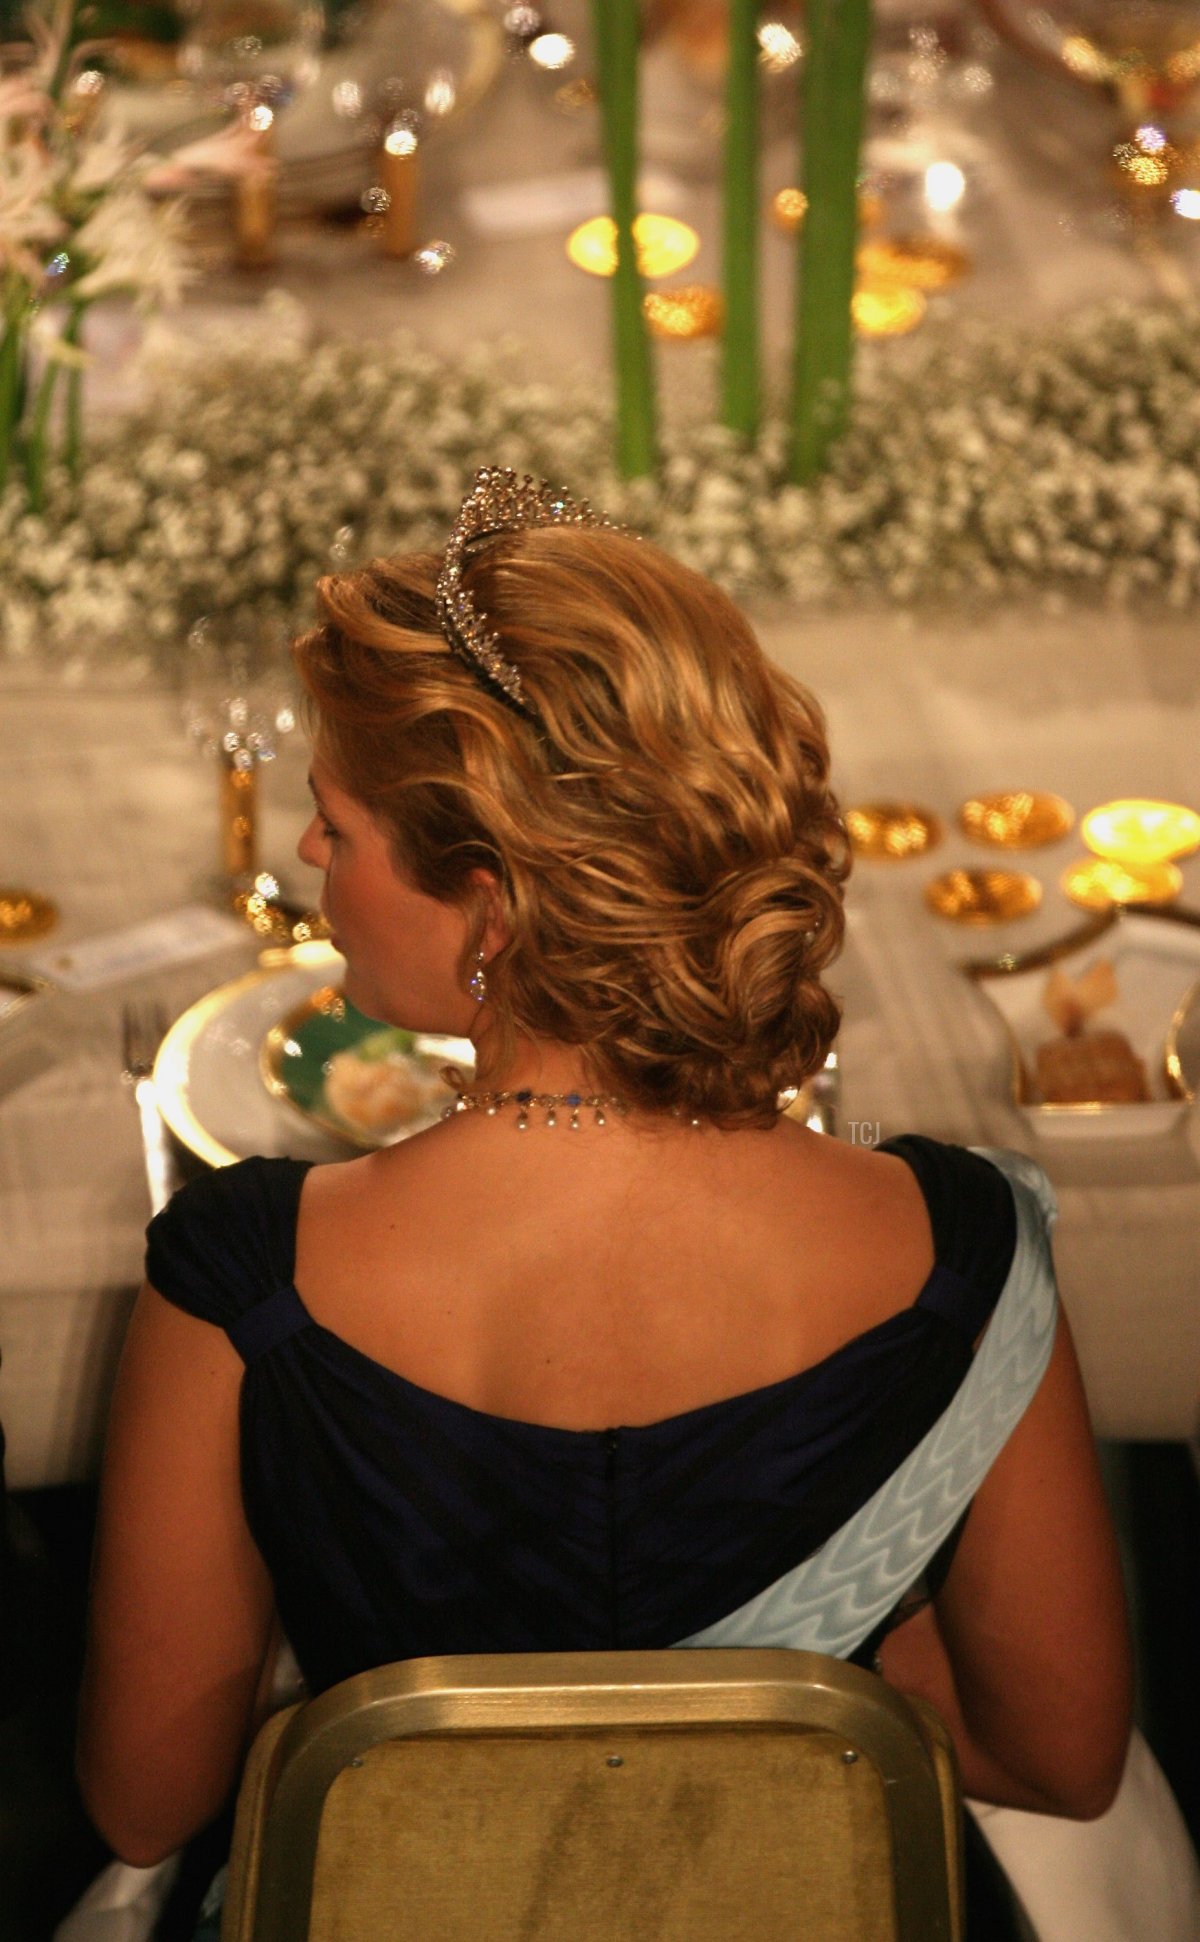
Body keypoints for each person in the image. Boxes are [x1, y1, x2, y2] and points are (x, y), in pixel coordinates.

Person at [77, 471, 1132, 1900]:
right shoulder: (966, 1251)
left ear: (494, 902)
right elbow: (1067, 1756)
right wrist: (820, 1659)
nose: (309, 852)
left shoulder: (246, 1274)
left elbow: (147, 1801)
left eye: (338, 820)